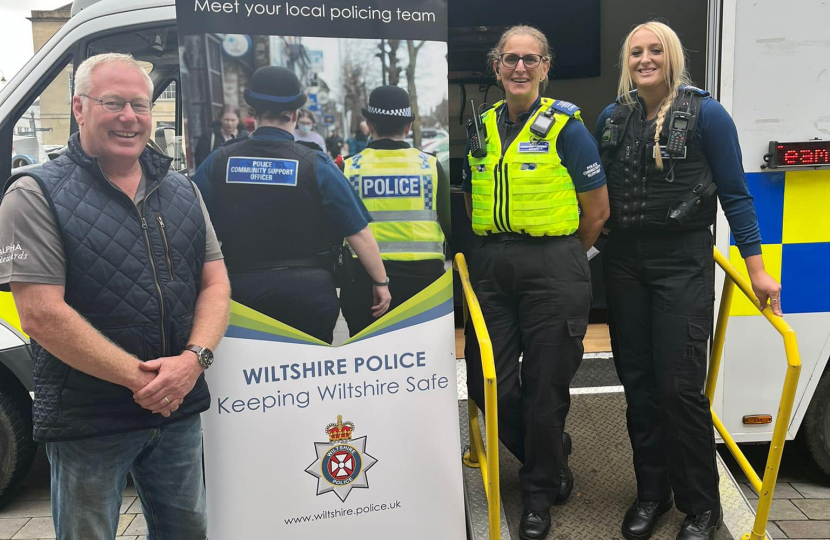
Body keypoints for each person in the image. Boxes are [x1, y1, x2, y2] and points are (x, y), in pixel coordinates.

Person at [0, 53, 231, 539]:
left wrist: (194, 360)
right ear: (79, 108)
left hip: (178, 411)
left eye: (140, 105)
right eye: (113, 103)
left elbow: (216, 284)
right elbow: (40, 315)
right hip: (92, 419)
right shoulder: (34, 194)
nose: (130, 117)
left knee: (187, 531)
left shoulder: (182, 189)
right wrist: (144, 382)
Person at [595, 21, 782, 540]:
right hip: (624, 265)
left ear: (673, 56)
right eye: (636, 52)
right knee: (639, 387)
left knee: (680, 389)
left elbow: (736, 196)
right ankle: (652, 494)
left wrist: (757, 269)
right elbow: (593, 197)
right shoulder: (613, 117)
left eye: (656, 50)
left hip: (682, 264)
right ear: (626, 60)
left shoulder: (708, 114)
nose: (645, 59)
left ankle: (703, 507)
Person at [461, 25, 610, 540]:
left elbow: (597, 210)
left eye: (530, 59)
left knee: (546, 389)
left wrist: (570, 255)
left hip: (554, 264)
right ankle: (547, 452)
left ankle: (540, 493)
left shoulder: (568, 128)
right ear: (496, 67)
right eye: (509, 59)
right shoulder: (478, 126)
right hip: (494, 267)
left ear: (546, 67)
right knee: (487, 381)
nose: (519, 68)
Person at [193, 66, 390, 344]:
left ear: (253, 114)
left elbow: (191, 228)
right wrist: (380, 282)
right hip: (308, 294)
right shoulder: (316, 164)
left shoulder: (218, 162)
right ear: (295, 115)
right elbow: (357, 232)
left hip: (240, 292)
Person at [340, 85, 451, 335]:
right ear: (408, 126)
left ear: (369, 124)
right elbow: (449, 224)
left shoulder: (349, 168)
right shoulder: (431, 166)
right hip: (424, 283)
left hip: (365, 283)